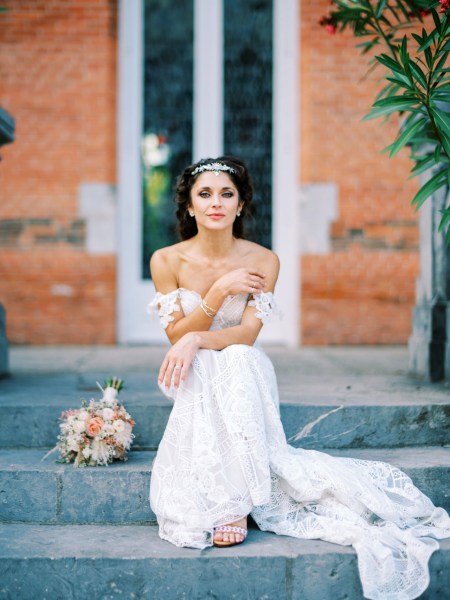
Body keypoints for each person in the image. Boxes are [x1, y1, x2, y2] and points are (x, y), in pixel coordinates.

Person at [148, 156, 450, 600]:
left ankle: (231, 506)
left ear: (241, 203)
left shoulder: (264, 260)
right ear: (190, 206)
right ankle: (231, 501)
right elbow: (176, 335)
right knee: (215, 363)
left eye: (226, 194)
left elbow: (248, 335)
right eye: (205, 194)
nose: (216, 202)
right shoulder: (165, 259)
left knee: (236, 360)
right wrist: (217, 292)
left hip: (242, 367)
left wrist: (198, 339)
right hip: (187, 371)